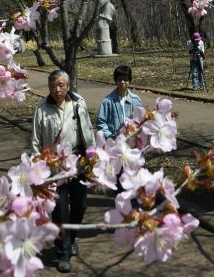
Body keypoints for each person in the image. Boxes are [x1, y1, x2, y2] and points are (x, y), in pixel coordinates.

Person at [31, 70, 95, 274]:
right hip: (53, 168)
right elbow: (35, 142)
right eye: (53, 86)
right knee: (59, 211)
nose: (57, 89)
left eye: (61, 85)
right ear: (49, 87)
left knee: (81, 205)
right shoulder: (41, 109)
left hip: (77, 164)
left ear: (68, 86)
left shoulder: (78, 104)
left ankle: (71, 237)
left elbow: (88, 132)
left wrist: (92, 159)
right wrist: (39, 169)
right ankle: (62, 254)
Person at [97, 65, 142, 139]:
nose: (122, 82)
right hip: (114, 141)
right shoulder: (107, 101)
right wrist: (110, 137)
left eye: (125, 79)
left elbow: (140, 121)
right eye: (119, 79)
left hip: (131, 140)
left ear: (130, 81)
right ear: (115, 81)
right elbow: (101, 123)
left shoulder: (136, 100)